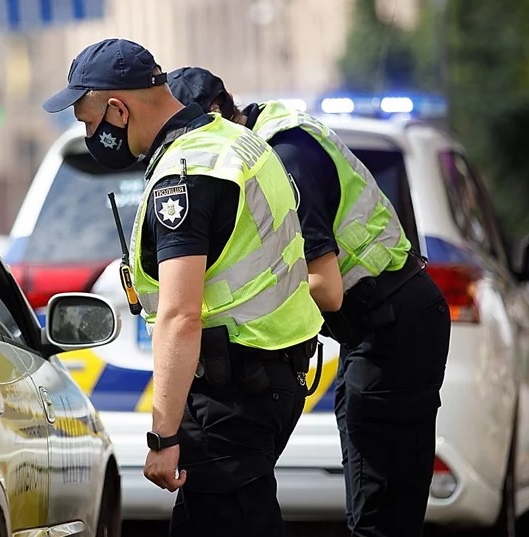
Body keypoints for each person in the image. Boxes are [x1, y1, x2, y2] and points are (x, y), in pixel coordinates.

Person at [42, 38, 324, 536]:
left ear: (117, 109)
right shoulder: (231, 142)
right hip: (268, 377)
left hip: (233, 392)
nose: (90, 134)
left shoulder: (186, 176)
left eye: (88, 122)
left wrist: (163, 436)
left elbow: (179, 314)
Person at [167, 66, 452, 537]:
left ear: (217, 114)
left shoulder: (281, 158)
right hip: (379, 327)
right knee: (376, 495)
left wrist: (240, 318)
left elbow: (327, 287)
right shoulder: (261, 145)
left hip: (394, 325)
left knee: (380, 513)